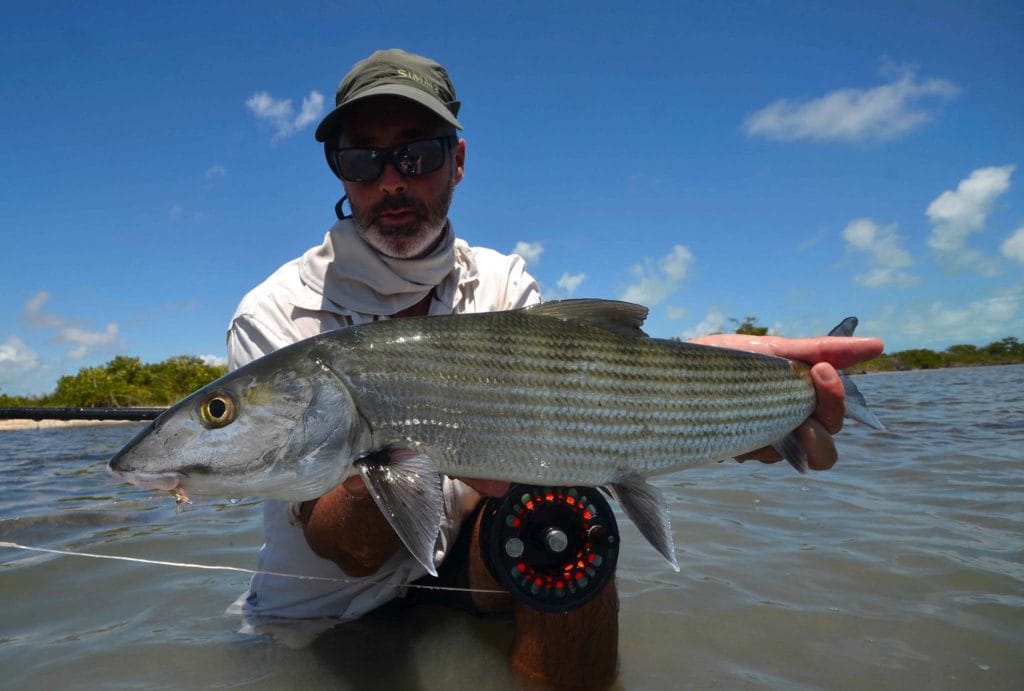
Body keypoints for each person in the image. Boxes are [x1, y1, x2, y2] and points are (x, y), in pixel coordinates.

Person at [226, 49, 884, 688]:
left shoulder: (505, 281)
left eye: (417, 153)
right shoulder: (274, 312)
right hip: (322, 610)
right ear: (339, 172)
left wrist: (713, 397)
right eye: (363, 157)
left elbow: (587, 410)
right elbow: (348, 548)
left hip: (469, 564)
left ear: (456, 161)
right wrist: (392, 432)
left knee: (567, 512)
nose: (391, 180)